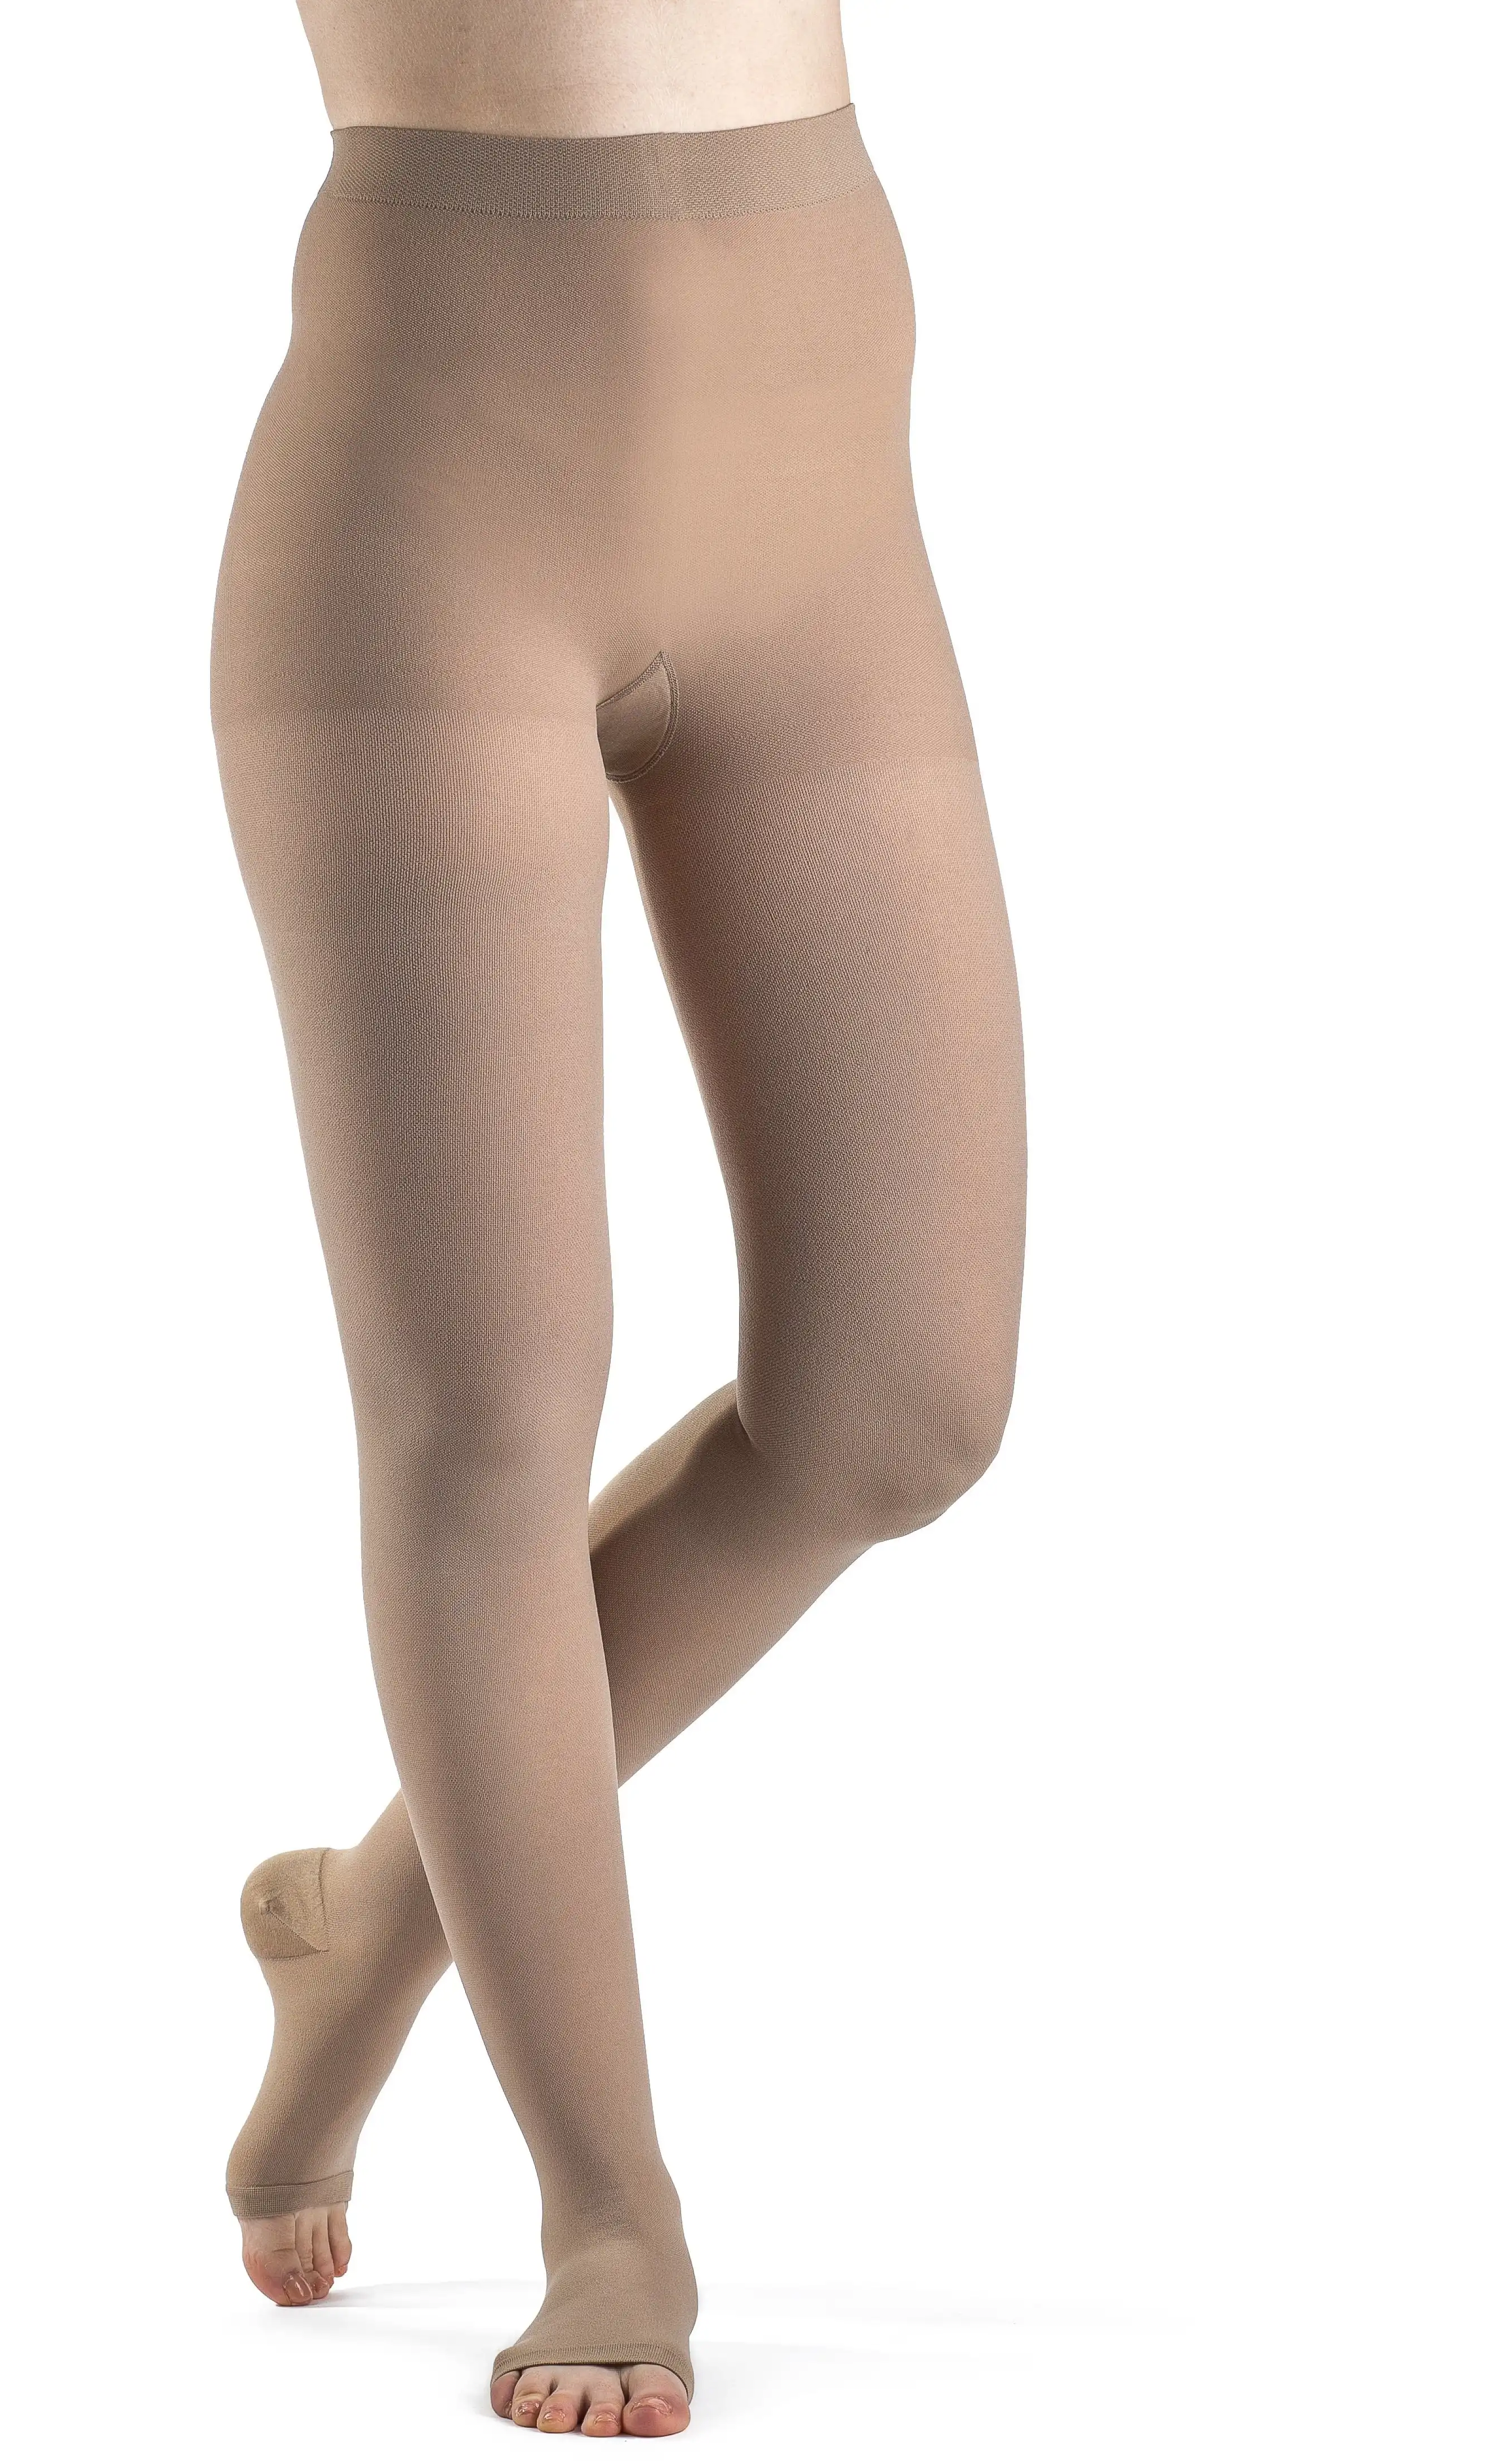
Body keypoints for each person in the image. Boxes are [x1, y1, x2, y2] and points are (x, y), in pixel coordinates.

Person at [210, 0, 1026, 2435]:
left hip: (822, 491)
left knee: (902, 1403)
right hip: (432, 496)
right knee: (483, 1408)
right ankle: (607, 2203)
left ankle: (378, 1919)